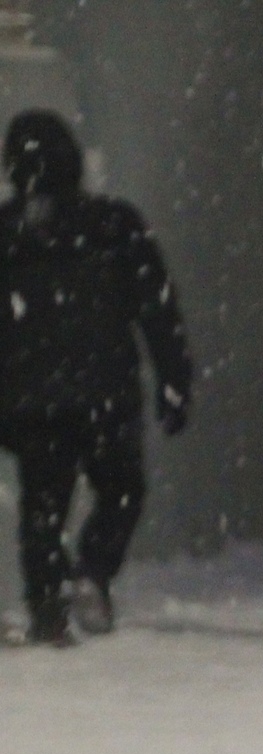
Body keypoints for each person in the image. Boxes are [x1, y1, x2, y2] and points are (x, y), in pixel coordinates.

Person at [0, 111, 190, 647]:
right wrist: (174, 378)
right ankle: (92, 571)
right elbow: (157, 308)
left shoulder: (5, 234)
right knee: (122, 490)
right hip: (106, 391)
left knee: (43, 506)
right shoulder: (115, 224)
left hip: (30, 399)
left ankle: (47, 608)